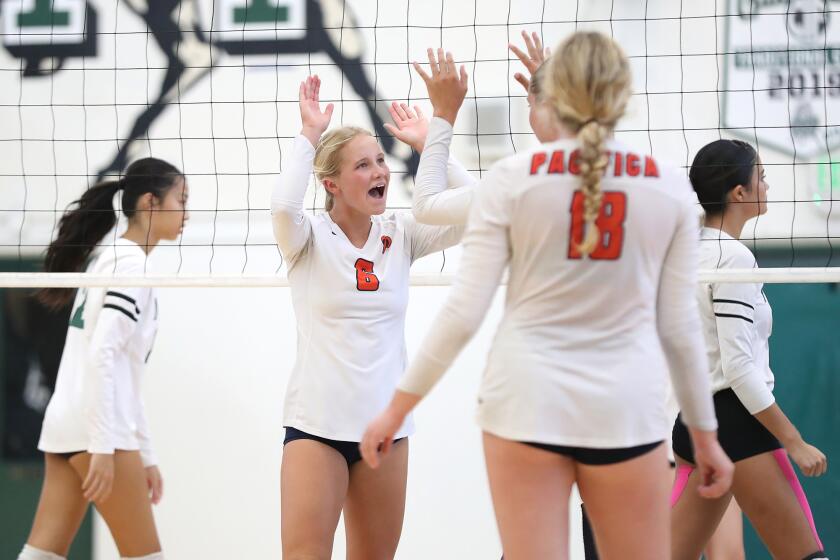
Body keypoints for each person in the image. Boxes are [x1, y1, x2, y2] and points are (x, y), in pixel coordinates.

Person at [361, 33, 733, 559]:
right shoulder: (669, 186)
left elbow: (463, 313)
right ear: (622, 97)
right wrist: (706, 434)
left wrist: (396, 410)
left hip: (524, 403)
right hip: (624, 408)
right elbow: (678, 329)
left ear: (550, 97)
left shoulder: (514, 179)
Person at [271, 75, 464, 559]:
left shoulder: (401, 233)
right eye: (363, 164)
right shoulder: (307, 238)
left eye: (380, 160)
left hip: (386, 432)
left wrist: (432, 145)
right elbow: (281, 205)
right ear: (331, 183)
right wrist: (309, 134)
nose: (379, 170)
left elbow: (480, 210)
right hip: (317, 428)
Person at [18, 158, 189, 560]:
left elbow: (126, 373)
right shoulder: (131, 265)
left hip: (68, 422)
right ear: (150, 202)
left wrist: (145, 454)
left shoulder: (109, 256)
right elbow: (103, 354)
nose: (187, 212)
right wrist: (103, 445)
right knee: (146, 557)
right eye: (181, 200)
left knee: (42, 553)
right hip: (98, 428)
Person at [670, 139, 828, 560]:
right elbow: (739, 367)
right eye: (761, 176)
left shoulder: (687, 253)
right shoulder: (733, 257)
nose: (768, 185)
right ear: (738, 193)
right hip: (736, 427)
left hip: (693, 424)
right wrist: (792, 440)